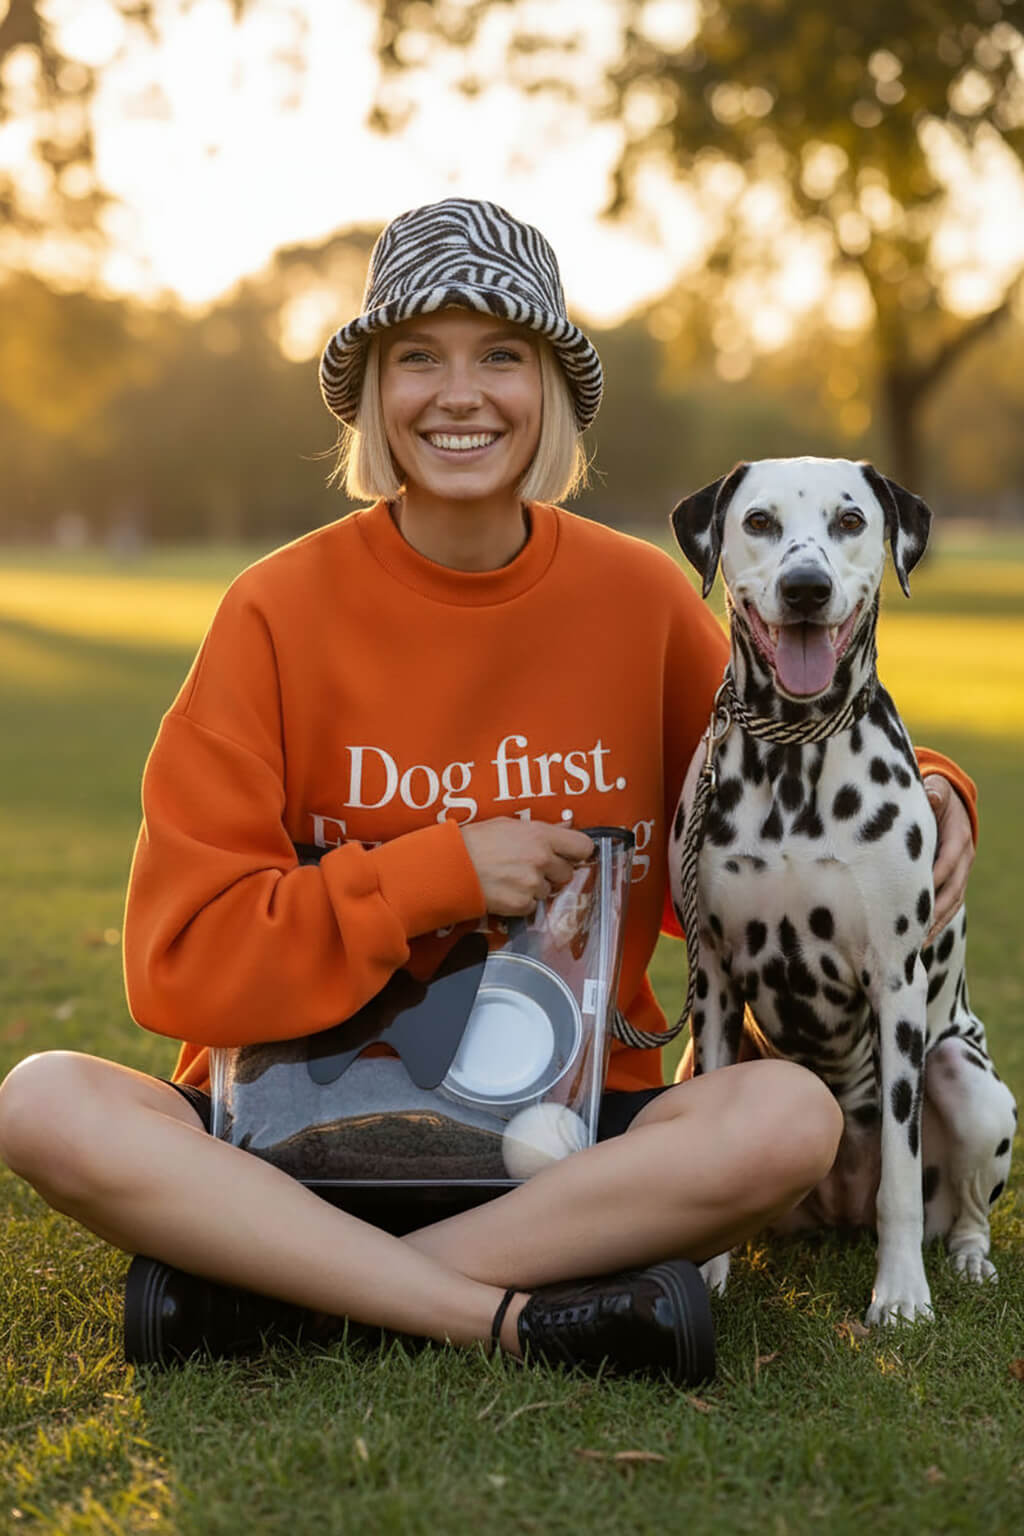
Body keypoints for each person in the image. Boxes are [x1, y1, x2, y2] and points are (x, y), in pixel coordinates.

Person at [0, 199, 978, 1385]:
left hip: (561, 1145)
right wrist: (441, 870)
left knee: (784, 1119)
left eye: (500, 356)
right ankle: (501, 1315)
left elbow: (778, 778)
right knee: (43, 1099)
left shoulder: (637, 601)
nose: (459, 393)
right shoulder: (272, 611)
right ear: (372, 392)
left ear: (552, 389)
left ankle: (281, 1287)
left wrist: (936, 789)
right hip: (287, 1130)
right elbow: (177, 967)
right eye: (417, 356)